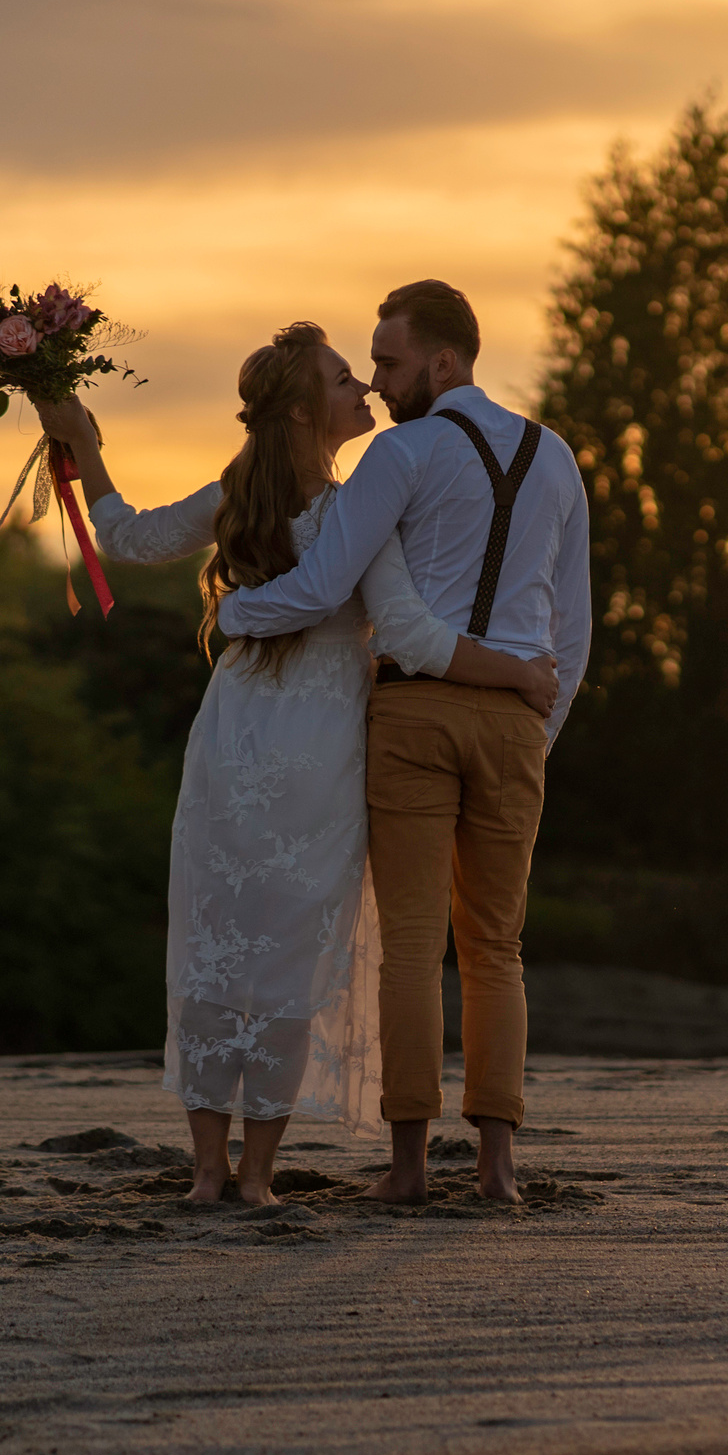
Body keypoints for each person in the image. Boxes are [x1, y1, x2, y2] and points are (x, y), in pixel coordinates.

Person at [32, 322, 557, 1205]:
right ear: (309, 410)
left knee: (217, 939)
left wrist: (91, 453)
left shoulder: (237, 496)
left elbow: (125, 534)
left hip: (235, 735)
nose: (366, 394)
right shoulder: (356, 512)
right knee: (284, 950)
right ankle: (254, 1177)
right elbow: (414, 634)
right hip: (313, 751)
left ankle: (211, 1173)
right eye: (347, 382)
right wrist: (518, 672)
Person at [217, 279, 588, 1205]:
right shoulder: (557, 458)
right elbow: (571, 628)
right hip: (516, 722)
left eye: (388, 361)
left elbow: (323, 588)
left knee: (416, 946)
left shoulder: (402, 452)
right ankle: (499, 1169)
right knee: (498, 947)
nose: (377, 382)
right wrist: (540, 731)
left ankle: (412, 1169)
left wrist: (235, 615)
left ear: (444, 362)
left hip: (416, 713)